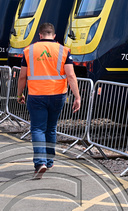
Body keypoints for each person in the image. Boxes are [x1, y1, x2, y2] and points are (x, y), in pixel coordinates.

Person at [16, 22, 81, 179]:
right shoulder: (64, 50)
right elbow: (71, 75)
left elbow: (22, 76)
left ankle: (40, 163)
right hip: (58, 95)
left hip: (36, 95)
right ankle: (50, 161)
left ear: (40, 35)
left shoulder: (29, 50)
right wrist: (77, 96)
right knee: (51, 128)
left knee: (38, 129)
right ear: (54, 35)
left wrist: (19, 94)